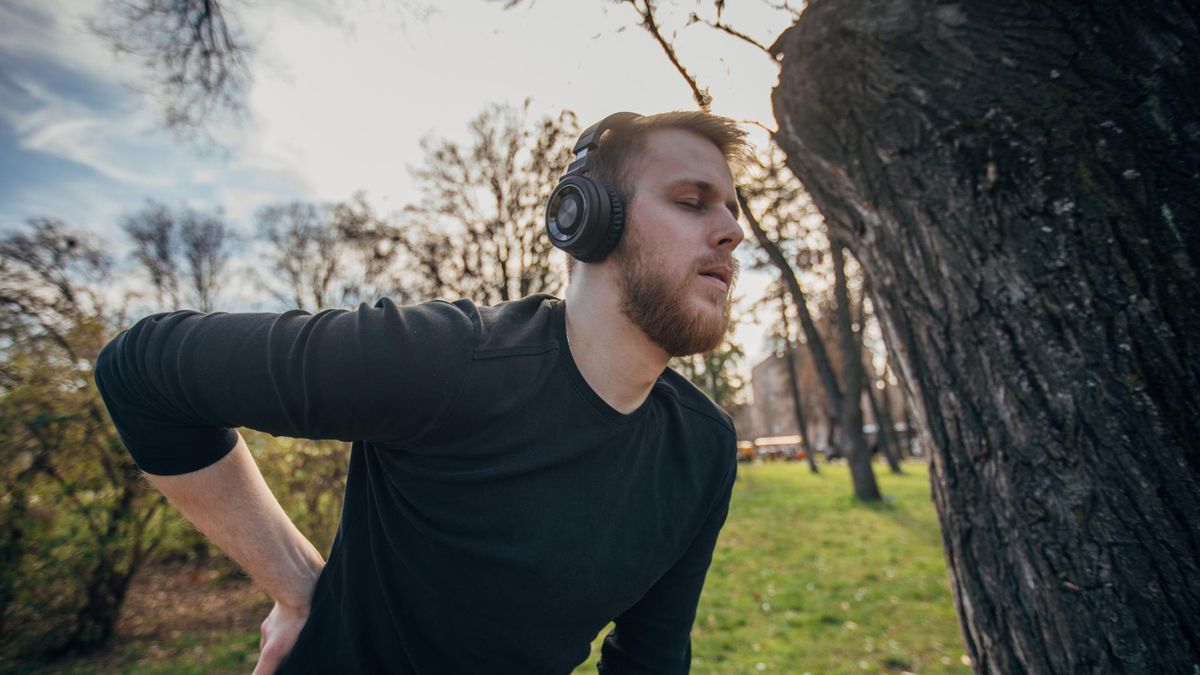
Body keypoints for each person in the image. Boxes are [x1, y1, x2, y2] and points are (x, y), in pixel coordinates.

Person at [95, 110, 749, 674]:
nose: (732, 231)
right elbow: (140, 372)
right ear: (588, 220)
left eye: (732, 208)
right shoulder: (444, 360)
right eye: (692, 201)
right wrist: (298, 586)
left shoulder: (705, 448)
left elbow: (651, 659)